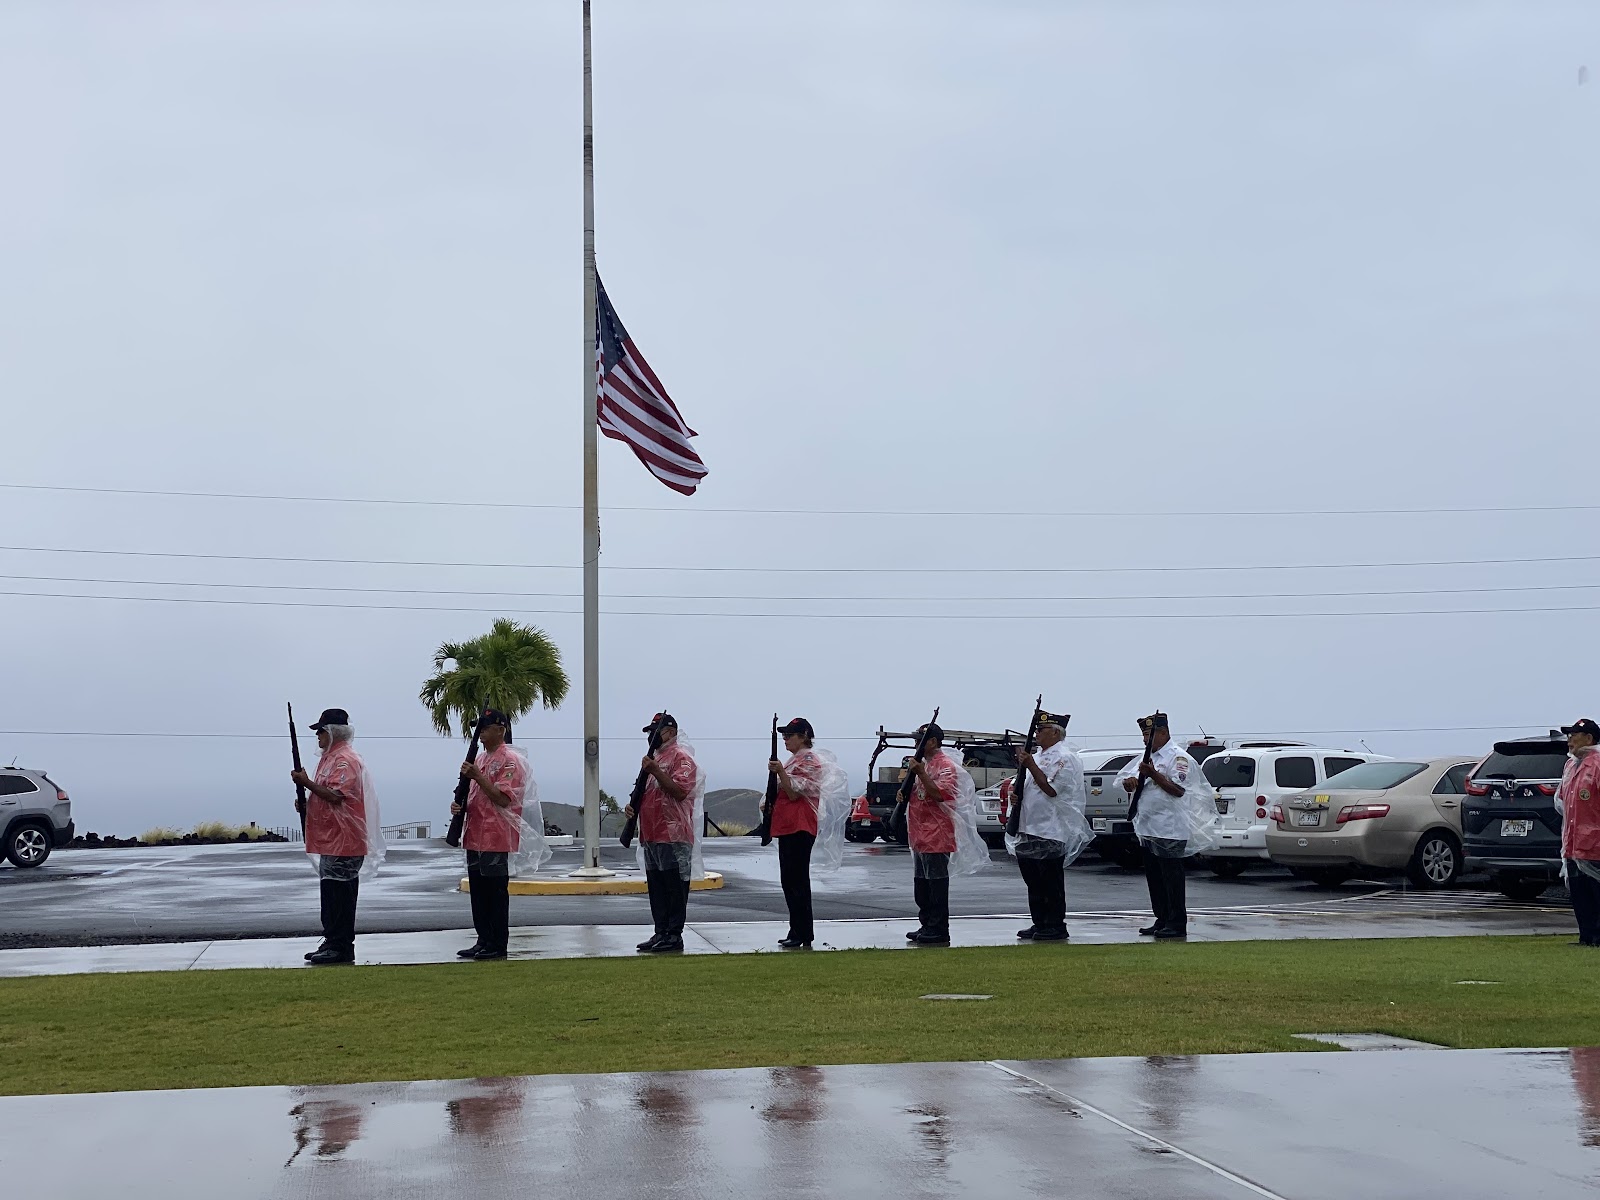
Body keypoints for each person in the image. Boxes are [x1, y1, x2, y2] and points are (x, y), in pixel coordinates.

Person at [450, 709, 550, 961]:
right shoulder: (482, 759)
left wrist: (477, 776)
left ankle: (496, 942)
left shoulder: (510, 761)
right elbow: (474, 794)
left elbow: (504, 799)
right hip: (475, 834)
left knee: (494, 893)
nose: (480, 733)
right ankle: (483, 938)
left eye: (485, 728)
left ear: (500, 729)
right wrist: (459, 805)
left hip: (496, 835)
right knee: (479, 893)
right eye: (479, 729)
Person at [290, 708, 384, 965]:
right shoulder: (329, 759)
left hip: (345, 840)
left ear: (333, 732)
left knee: (340, 896)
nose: (318, 736)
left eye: (321, 731)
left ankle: (341, 945)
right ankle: (332, 940)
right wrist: (308, 803)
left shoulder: (346, 760)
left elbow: (336, 796)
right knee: (330, 894)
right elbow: (326, 797)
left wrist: (306, 783)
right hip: (331, 839)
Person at [1114, 712, 1215, 941]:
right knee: (1155, 878)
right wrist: (1129, 782)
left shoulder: (1178, 758)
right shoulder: (1147, 755)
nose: (1144, 740)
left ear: (1163, 733)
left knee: (1172, 879)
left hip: (1170, 828)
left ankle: (1176, 923)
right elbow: (1131, 779)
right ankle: (1161, 918)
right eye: (1143, 735)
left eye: (1148, 735)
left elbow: (1178, 790)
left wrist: (1153, 774)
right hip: (1148, 827)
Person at [765, 717, 851, 949]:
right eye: (783, 735)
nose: (785, 739)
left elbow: (796, 792)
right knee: (789, 880)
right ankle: (796, 928)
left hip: (799, 825)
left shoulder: (809, 760)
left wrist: (780, 772)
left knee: (797, 881)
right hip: (787, 825)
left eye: (789, 735)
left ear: (803, 736)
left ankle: (803, 931)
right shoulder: (794, 760)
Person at [1008, 713, 1092, 942]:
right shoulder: (1037, 756)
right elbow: (1024, 785)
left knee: (1050, 882)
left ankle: (1055, 924)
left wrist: (1031, 764)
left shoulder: (1065, 758)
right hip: (1029, 825)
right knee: (1033, 881)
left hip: (1051, 828)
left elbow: (1051, 789)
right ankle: (1039, 922)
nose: (1036, 734)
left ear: (1055, 732)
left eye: (1041, 729)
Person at [626, 713, 706, 954]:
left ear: (670, 732)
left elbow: (680, 791)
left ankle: (673, 934)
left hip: (674, 834)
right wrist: (632, 808)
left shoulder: (682, 758)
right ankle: (660, 931)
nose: (651, 736)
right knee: (657, 887)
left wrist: (656, 771)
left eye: (656, 731)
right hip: (651, 833)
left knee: (674, 887)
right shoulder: (655, 759)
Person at [902, 722, 987, 945]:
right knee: (921, 884)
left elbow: (940, 794)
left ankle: (939, 928)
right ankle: (926, 924)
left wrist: (920, 772)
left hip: (937, 834)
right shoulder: (924, 765)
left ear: (932, 741)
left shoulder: (945, 766)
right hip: (920, 834)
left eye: (919, 740)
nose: (915, 745)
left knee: (936, 884)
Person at [1557, 718, 1600, 948]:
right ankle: (1586, 937)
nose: (1570, 739)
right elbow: (1563, 801)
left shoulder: (1598, 765)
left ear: (1589, 739)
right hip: (1573, 844)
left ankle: (1598, 937)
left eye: (1575, 734)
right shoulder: (1570, 766)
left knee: (1596, 892)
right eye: (1569, 734)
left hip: (1595, 844)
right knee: (1579, 894)